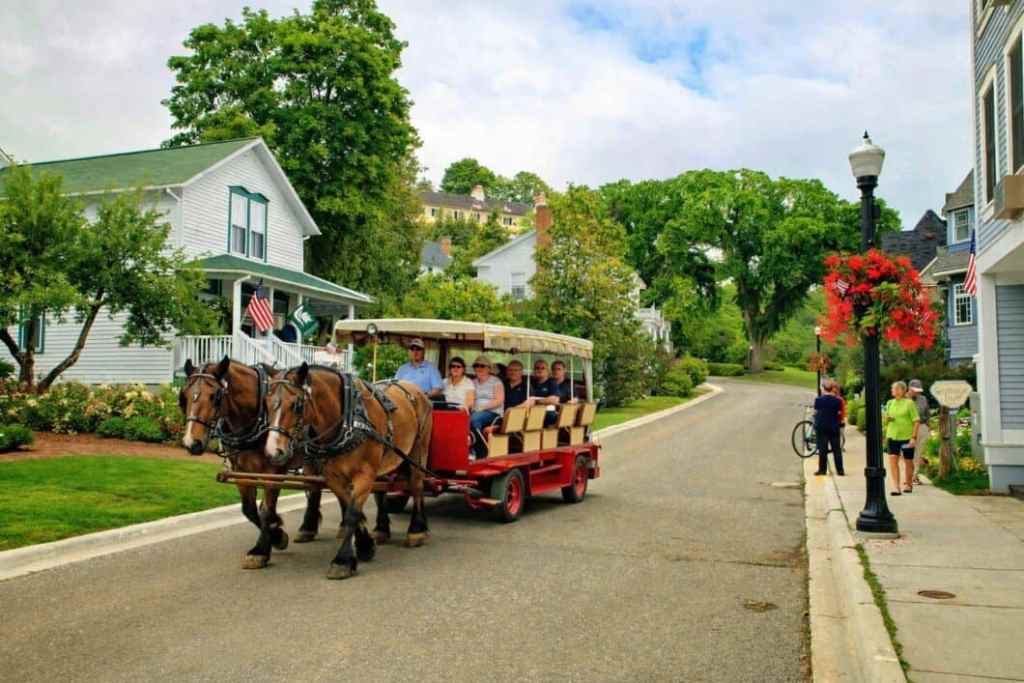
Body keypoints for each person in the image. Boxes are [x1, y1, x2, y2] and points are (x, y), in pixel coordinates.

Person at [883, 380, 921, 495]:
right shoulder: (890, 403)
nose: (892, 391)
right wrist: (887, 419)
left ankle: (908, 484)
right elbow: (886, 419)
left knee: (908, 461)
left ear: (901, 390)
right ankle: (896, 487)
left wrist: (913, 437)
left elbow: (916, 421)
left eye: (893, 389)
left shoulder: (909, 403)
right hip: (892, 436)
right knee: (893, 460)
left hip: (906, 437)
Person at [470, 355, 504, 458]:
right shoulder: (473, 382)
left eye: (482, 366)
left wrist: (482, 408)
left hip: (493, 412)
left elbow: (499, 400)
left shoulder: (496, 381)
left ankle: (480, 451)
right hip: (475, 410)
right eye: (476, 366)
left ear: (489, 368)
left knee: (474, 419)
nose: (479, 368)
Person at [813, 379, 845, 476]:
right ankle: (840, 470)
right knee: (837, 450)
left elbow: (816, 411)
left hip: (822, 427)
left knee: (823, 449)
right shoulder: (837, 401)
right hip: (834, 427)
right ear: (831, 389)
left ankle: (822, 470)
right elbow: (839, 413)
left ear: (824, 389)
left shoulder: (818, 400)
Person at [908, 379, 930, 485]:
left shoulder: (923, 399)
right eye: (915, 390)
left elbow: (927, 413)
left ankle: (914, 476)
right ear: (910, 389)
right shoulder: (904, 399)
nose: (917, 392)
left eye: (918, 390)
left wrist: (927, 426)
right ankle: (911, 476)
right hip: (908, 428)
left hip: (922, 427)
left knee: (918, 453)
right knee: (909, 455)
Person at [530, 359, 561, 426]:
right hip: (531, 410)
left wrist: (537, 401)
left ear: (547, 371)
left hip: (547, 412)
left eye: (543, 368)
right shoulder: (530, 382)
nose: (540, 370)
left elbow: (554, 400)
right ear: (534, 370)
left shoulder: (552, 383)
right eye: (537, 368)